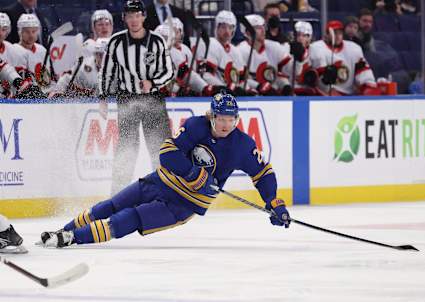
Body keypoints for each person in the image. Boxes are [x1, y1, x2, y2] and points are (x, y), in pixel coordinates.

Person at [38, 92, 291, 248]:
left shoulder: (242, 145)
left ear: (236, 119)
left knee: (130, 218)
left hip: (183, 204)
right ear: (211, 116)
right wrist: (194, 174)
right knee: (111, 205)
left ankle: (73, 238)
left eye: (230, 119)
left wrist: (275, 202)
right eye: (221, 118)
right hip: (159, 181)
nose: (226, 124)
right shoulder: (195, 126)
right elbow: (167, 153)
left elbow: (263, 174)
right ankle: (63, 231)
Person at [99, 0, 174, 195]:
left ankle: (167, 191)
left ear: (144, 16)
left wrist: (153, 82)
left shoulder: (157, 41)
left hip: (153, 100)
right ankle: (117, 194)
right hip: (127, 100)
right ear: (124, 18)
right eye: (129, 16)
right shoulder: (116, 42)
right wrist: (103, 98)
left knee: (159, 147)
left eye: (137, 15)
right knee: (126, 148)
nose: (134, 20)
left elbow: (168, 71)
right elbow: (106, 72)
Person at [309, 20, 378, 96]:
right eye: (335, 33)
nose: (338, 36)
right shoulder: (317, 47)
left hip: (348, 96)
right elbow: (319, 79)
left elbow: (363, 71)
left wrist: (368, 86)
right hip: (324, 96)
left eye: (340, 33)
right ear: (327, 34)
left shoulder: (354, 48)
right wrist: (329, 89)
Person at [237, 14, 297, 95]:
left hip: (274, 94)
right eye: (258, 27)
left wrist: (298, 59)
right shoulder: (240, 50)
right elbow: (240, 80)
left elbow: (290, 71)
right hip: (252, 96)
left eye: (263, 26)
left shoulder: (274, 46)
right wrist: (258, 86)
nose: (263, 30)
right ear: (247, 32)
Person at [195, 10, 250, 95]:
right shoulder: (209, 44)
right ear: (217, 28)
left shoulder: (236, 51)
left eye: (230, 27)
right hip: (211, 97)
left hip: (230, 97)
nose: (227, 31)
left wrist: (248, 90)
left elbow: (241, 80)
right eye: (223, 27)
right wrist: (226, 88)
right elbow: (205, 75)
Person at [155, 19, 213, 96]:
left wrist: (204, 88)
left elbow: (187, 74)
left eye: (176, 32)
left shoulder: (177, 52)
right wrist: (179, 90)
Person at [13, 14, 51, 89]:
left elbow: (47, 80)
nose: (31, 35)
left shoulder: (42, 50)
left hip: (40, 95)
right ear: (20, 32)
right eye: (27, 32)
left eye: (34, 31)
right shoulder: (13, 50)